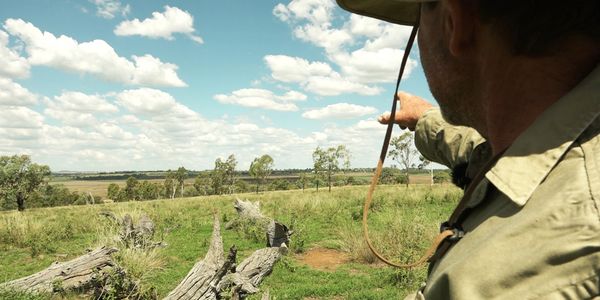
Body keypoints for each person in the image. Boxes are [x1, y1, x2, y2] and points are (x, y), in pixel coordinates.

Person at [337, 0, 600, 299]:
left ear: (455, 22)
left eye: (419, 20)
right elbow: (481, 152)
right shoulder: (559, 143)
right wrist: (425, 118)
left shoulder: (509, 280)